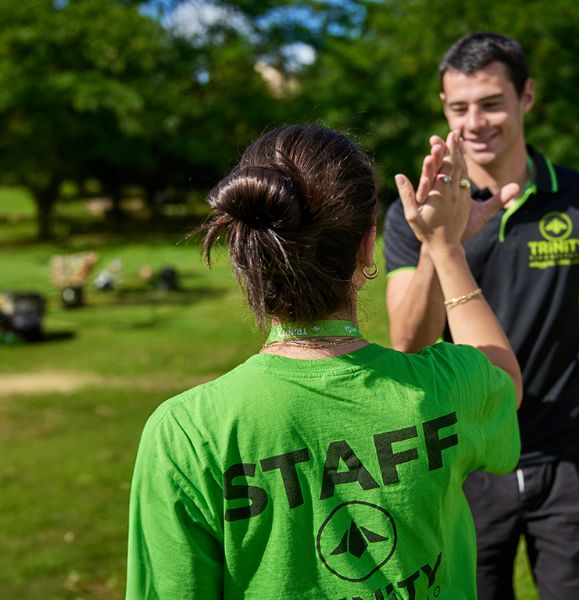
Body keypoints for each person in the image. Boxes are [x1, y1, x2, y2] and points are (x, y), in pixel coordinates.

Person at [126, 124, 524, 599]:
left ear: (243, 252)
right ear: (365, 245)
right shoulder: (440, 390)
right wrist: (446, 247)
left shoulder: (186, 434)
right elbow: (502, 375)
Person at [383, 33, 579, 599]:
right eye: (459, 107)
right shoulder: (414, 213)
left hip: (565, 462)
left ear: (526, 97)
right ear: (444, 109)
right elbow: (407, 344)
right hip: (461, 464)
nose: (475, 122)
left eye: (491, 102)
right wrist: (443, 243)